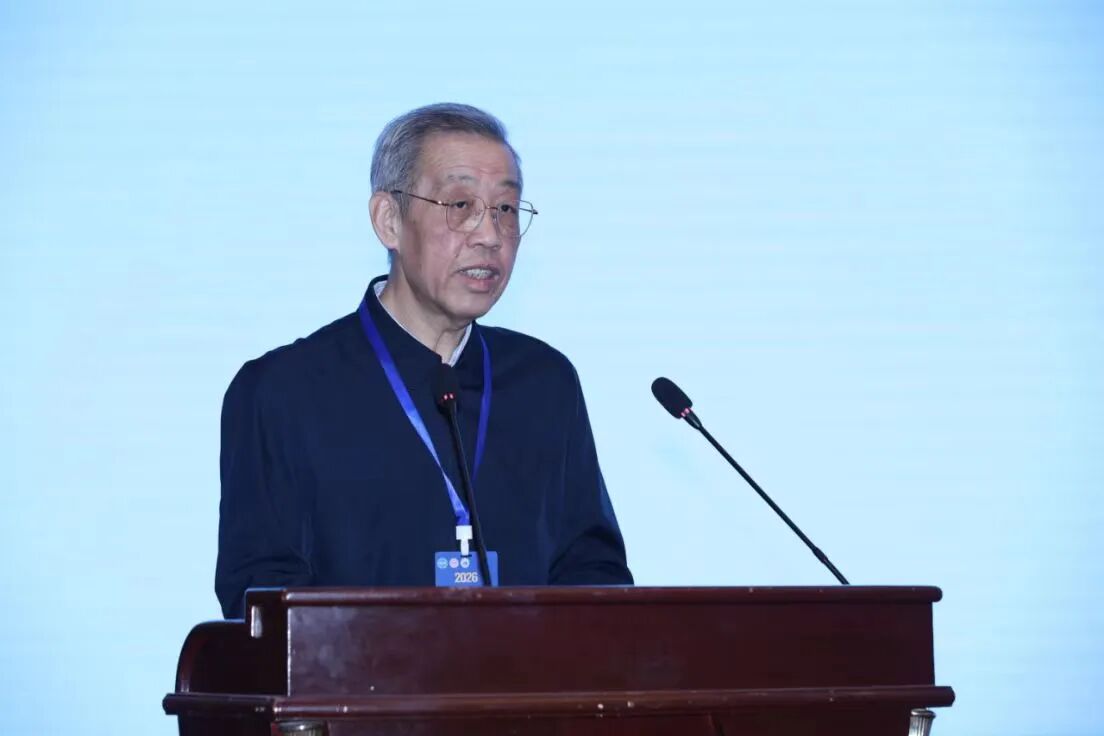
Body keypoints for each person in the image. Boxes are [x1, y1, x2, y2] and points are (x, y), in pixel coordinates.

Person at [215, 103, 632, 618]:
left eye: (505, 209)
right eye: (460, 205)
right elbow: (261, 602)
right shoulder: (283, 391)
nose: (489, 234)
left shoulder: (545, 384)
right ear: (388, 221)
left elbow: (593, 573)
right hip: (354, 674)